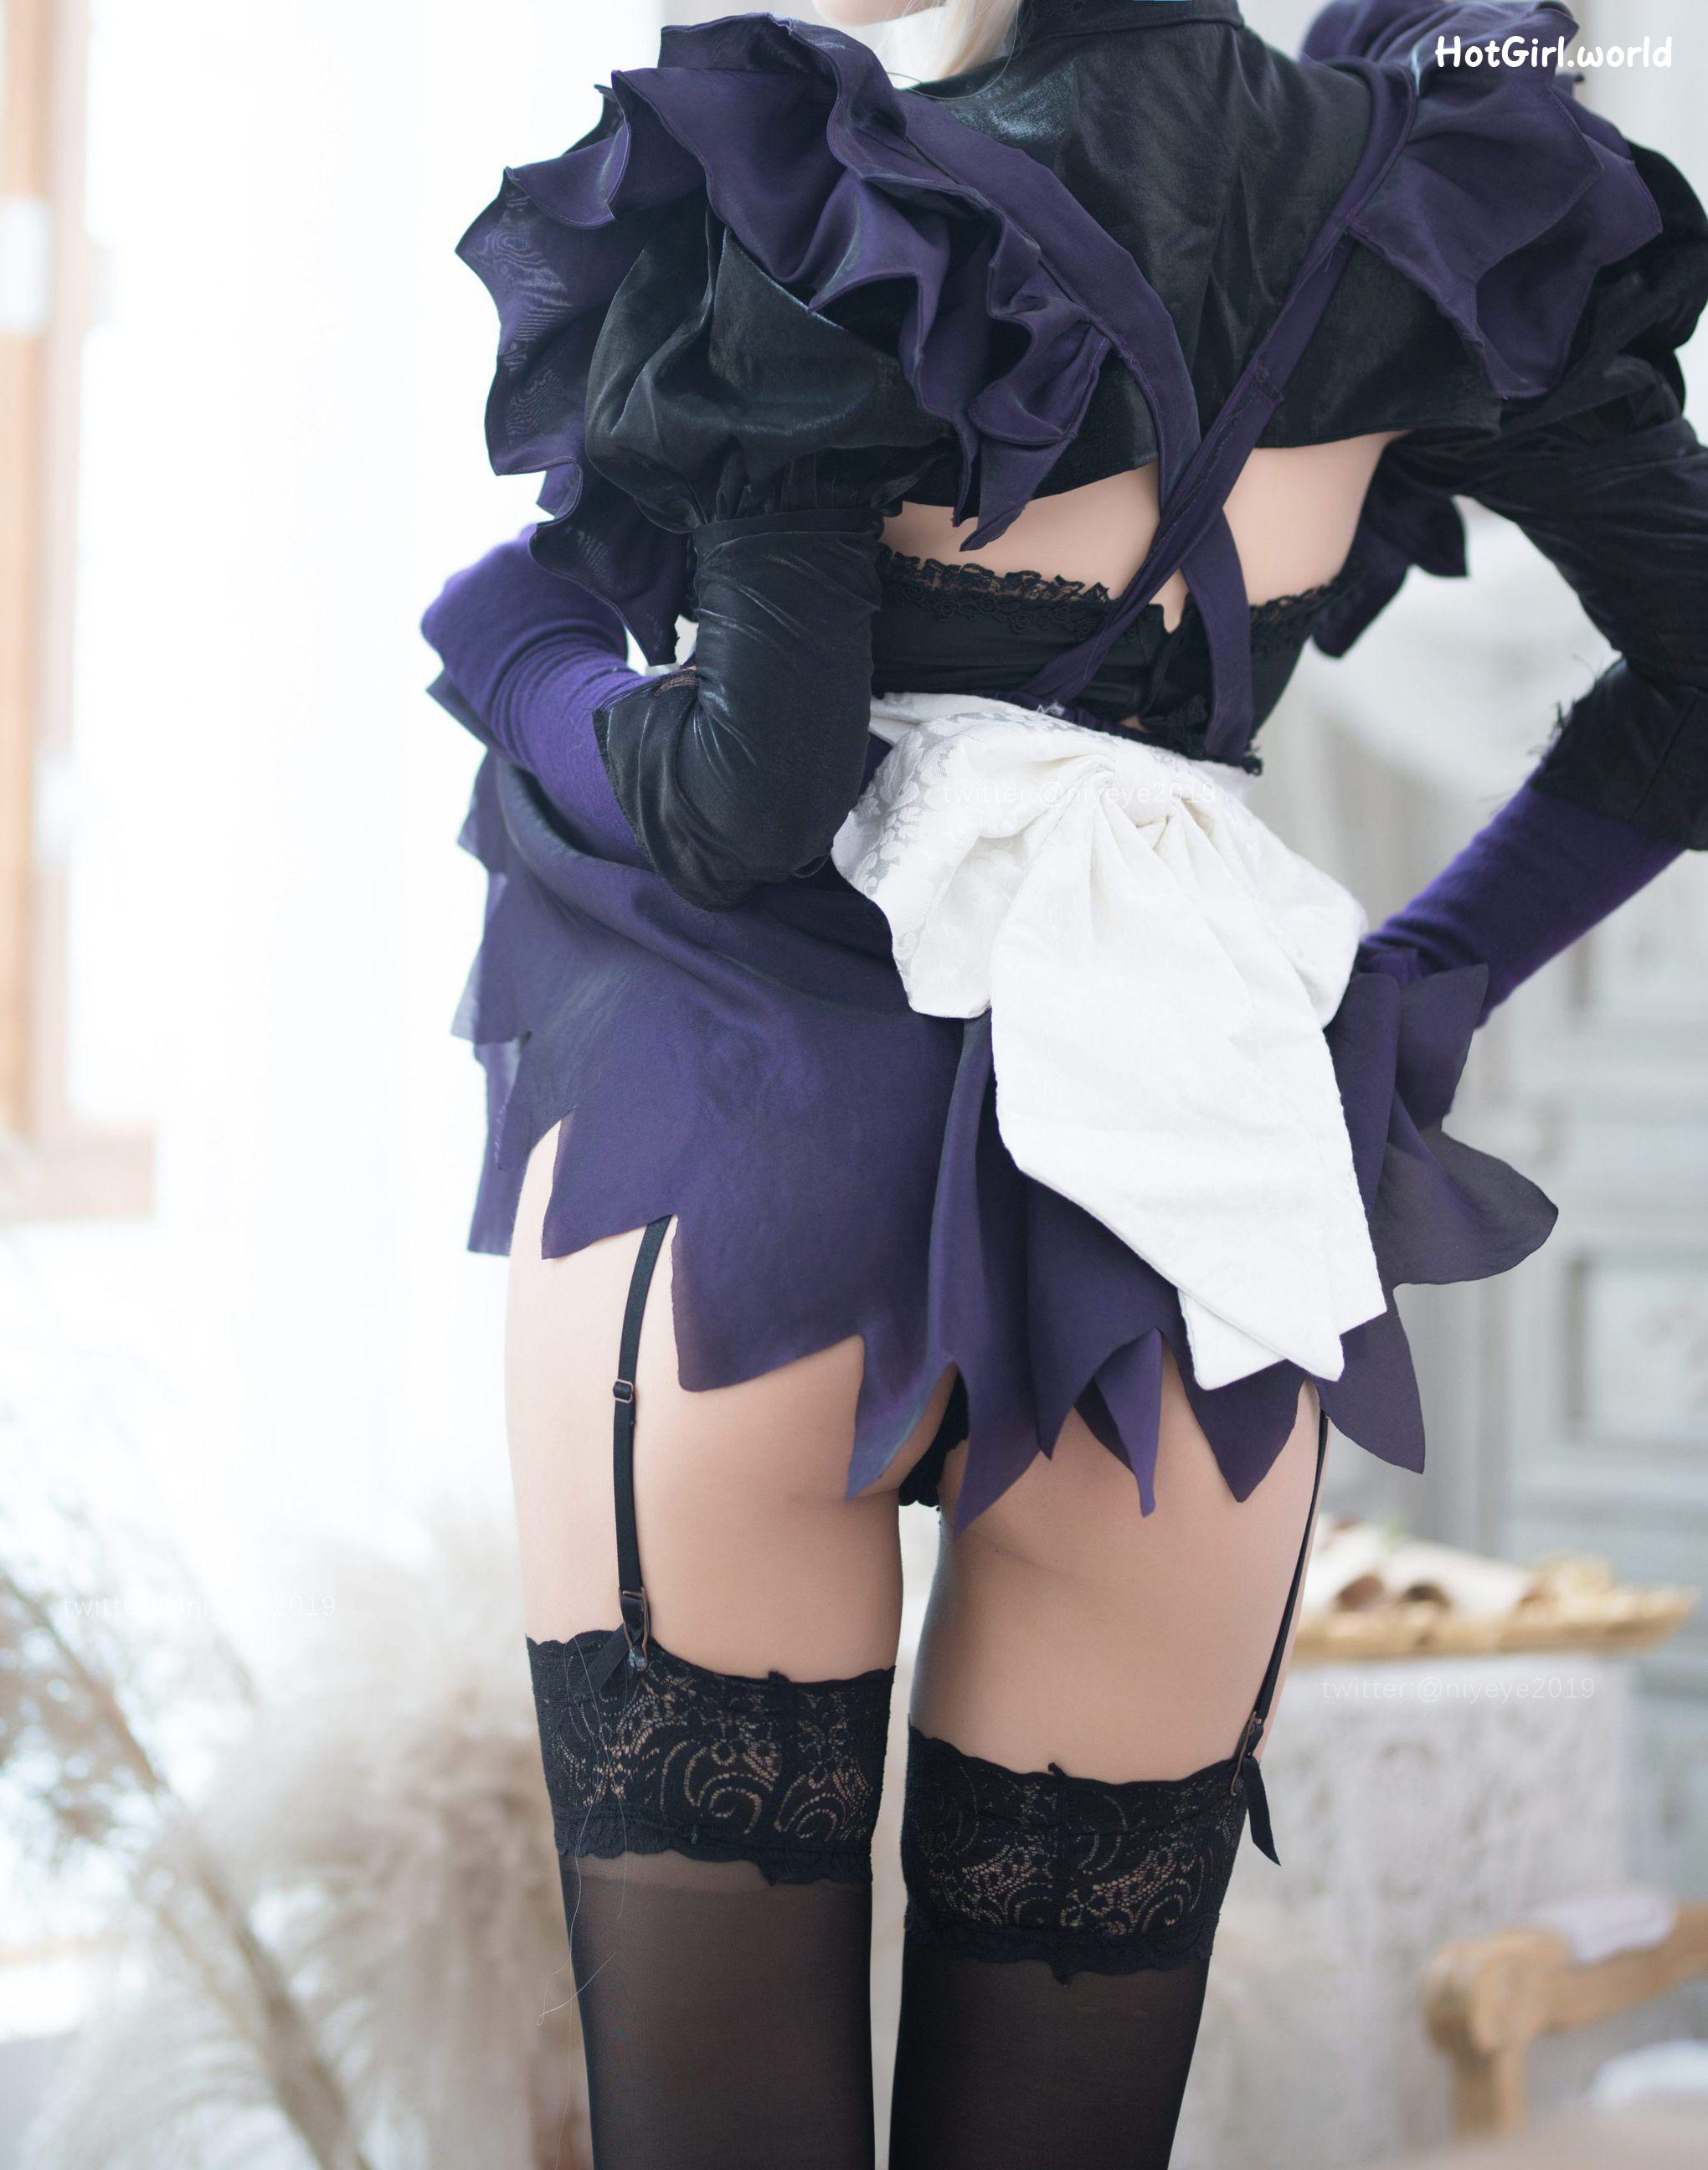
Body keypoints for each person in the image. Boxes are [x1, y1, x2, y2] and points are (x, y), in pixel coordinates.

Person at [422, 3, 1708, 2162]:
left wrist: (521, 660)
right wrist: (1424, 977)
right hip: (1188, 1194)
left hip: (750, 1149)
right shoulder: (1440, 196)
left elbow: (746, 797)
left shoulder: (829, 189)